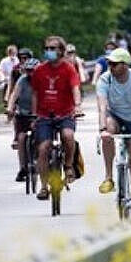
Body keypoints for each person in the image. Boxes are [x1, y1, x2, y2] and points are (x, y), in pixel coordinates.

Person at [95, 49, 131, 213]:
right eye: (109, 63)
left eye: (114, 64)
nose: (110, 66)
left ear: (125, 65)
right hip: (116, 117)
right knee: (108, 132)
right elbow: (102, 107)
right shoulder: (105, 79)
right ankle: (109, 176)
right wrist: (103, 129)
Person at [32, 35, 83, 201]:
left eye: (53, 48)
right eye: (46, 48)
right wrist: (34, 115)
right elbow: (35, 94)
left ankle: (68, 165)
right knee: (43, 148)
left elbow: (75, 88)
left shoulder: (68, 69)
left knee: (68, 136)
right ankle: (44, 186)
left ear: (61, 50)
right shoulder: (39, 70)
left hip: (65, 113)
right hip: (44, 115)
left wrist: (77, 105)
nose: (49, 52)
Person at [5, 58, 40, 182]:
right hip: (23, 113)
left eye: (33, 71)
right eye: (28, 71)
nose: (30, 74)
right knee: (21, 138)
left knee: (41, 139)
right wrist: (10, 108)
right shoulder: (22, 80)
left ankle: (40, 160)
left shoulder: (42, 81)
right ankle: (23, 168)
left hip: (39, 114)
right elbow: (14, 94)